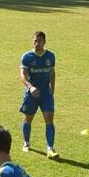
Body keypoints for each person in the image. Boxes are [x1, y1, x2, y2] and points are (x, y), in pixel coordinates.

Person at [19, 30, 58, 158]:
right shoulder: (27, 57)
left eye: (39, 41)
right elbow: (23, 76)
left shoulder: (50, 56)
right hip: (32, 95)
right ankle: (26, 143)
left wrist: (52, 88)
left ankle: (50, 149)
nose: (36, 43)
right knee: (28, 119)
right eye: (35, 40)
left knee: (49, 120)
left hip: (46, 94)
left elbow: (52, 73)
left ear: (44, 42)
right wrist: (30, 87)